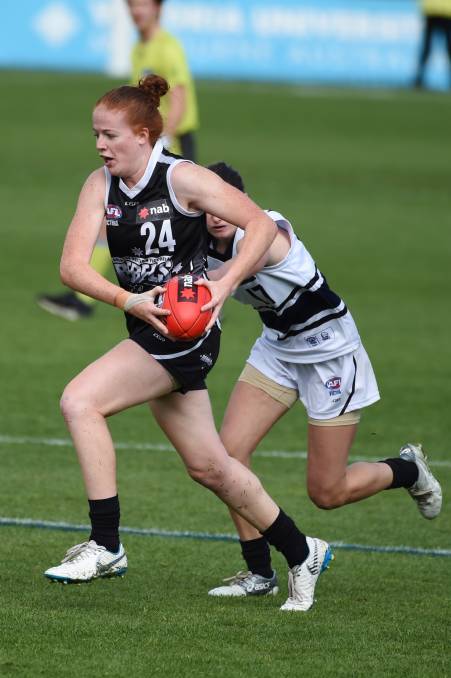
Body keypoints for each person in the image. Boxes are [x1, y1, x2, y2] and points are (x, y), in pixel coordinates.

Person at [43, 75, 333, 613]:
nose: (101, 145)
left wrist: (222, 285)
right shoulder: (98, 186)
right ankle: (302, 550)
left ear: (144, 135)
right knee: (211, 467)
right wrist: (127, 301)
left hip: (187, 333)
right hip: (146, 326)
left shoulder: (183, 179)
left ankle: (106, 545)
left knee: (80, 400)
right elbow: (70, 266)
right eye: (96, 135)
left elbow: (258, 224)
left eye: (110, 135)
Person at [204, 162, 442, 598]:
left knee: (327, 493)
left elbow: (235, 269)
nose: (216, 214)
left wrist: (198, 283)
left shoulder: (266, 229)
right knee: (226, 458)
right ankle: (260, 573)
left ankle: (408, 470)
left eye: (225, 203)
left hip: (330, 354)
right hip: (277, 350)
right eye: (206, 204)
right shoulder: (202, 243)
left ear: (242, 202)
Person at [37, 0, 199, 321]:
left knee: (184, 227)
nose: (136, 11)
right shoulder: (141, 47)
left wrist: (161, 140)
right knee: (114, 220)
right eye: (132, 6)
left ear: (158, 8)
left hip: (166, 148)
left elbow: (178, 100)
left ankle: (207, 292)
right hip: (145, 147)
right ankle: (83, 298)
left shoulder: (168, 47)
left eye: (143, 5)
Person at [414, 0, 451, 88]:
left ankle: (419, 78)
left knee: (428, 48)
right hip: (435, 11)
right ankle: (419, 78)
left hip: (439, 11)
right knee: (427, 48)